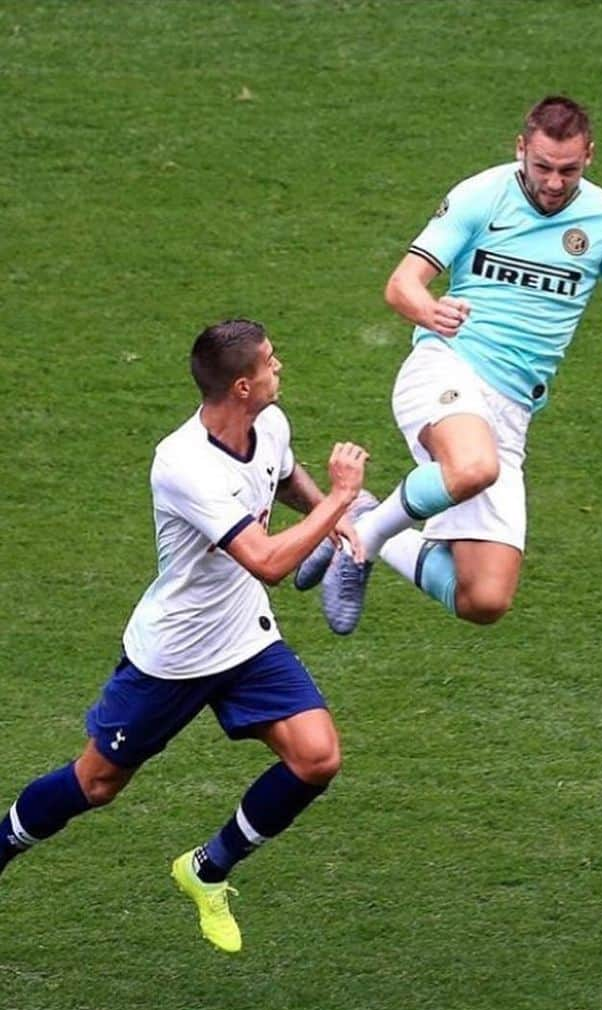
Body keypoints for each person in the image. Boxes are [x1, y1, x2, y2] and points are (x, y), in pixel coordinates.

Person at [0, 319, 368, 954]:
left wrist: (317, 509)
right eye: (273, 363)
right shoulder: (183, 464)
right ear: (243, 384)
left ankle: (206, 870)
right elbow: (269, 563)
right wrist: (341, 501)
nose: (283, 369)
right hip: (173, 654)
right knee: (97, 783)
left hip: (245, 638)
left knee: (317, 757)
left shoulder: (269, 423)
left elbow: (279, 473)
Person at [297, 95, 602, 633]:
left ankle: (360, 517)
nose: (554, 182)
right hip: (446, 367)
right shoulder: (481, 196)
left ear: (590, 157)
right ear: (521, 149)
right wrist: (429, 310)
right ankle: (364, 541)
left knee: (483, 598)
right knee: (475, 467)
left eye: (568, 170)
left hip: (512, 409)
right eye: (543, 167)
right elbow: (402, 284)